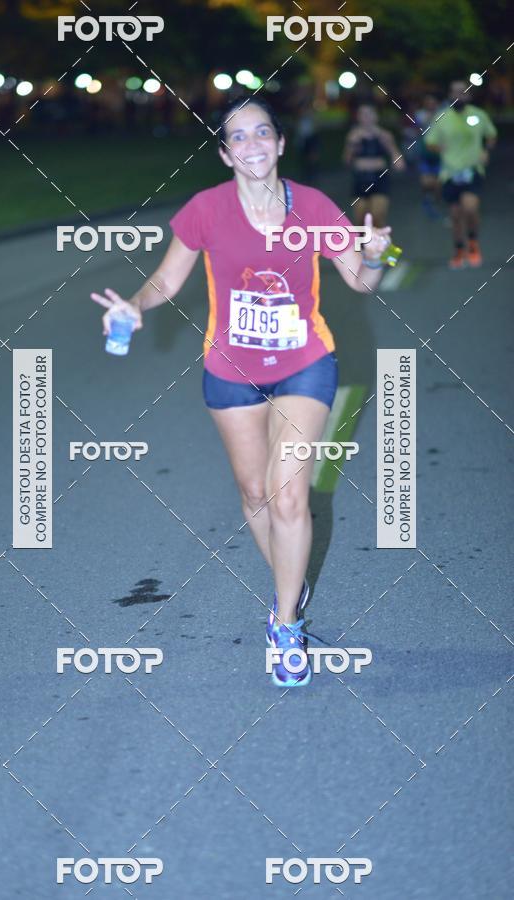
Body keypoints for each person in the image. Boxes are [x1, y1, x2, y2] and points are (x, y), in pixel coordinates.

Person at [90, 97, 396, 687]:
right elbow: (166, 279)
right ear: (225, 153)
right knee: (254, 494)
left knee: (288, 497)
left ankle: (285, 623)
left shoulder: (313, 206)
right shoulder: (206, 210)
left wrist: (381, 255)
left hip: (307, 362)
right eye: (238, 136)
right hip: (230, 368)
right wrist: (134, 304)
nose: (252, 143)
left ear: (280, 144)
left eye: (263, 133)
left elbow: (360, 280)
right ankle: (291, 571)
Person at [424, 80, 497, 269]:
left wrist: (485, 150)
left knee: (470, 208)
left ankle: (473, 243)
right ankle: (458, 249)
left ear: (468, 95)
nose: (458, 96)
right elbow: (430, 142)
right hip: (450, 172)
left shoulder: (478, 115)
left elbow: (491, 136)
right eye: (454, 92)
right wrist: (439, 147)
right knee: (456, 215)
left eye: (462, 92)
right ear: (449, 94)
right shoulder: (442, 117)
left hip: (472, 170)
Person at [343, 103, 405, 227]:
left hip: (379, 178)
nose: (366, 117)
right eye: (362, 114)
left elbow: (396, 156)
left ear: (375, 116)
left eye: (369, 114)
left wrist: (397, 161)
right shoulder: (354, 136)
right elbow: (347, 160)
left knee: (377, 216)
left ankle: (379, 244)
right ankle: (363, 245)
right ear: (358, 117)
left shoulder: (384, 135)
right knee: (361, 221)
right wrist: (352, 145)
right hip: (360, 179)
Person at [414, 94, 442, 219]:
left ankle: (434, 201)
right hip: (425, 153)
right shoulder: (420, 114)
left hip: (439, 153)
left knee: (437, 182)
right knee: (426, 181)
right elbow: (419, 128)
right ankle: (427, 197)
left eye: (433, 103)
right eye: (428, 103)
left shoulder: (443, 115)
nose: (431, 105)